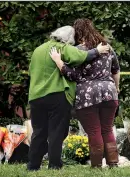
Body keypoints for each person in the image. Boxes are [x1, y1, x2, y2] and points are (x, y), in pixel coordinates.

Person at [27, 25, 110, 171]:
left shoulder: (37, 50)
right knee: (57, 131)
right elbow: (83, 56)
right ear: (68, 39)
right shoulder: (62, 47)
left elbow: (31, 72)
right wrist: (98, 50)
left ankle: (33, 166)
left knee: (39, 132)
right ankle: (54, 165)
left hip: (36, 97)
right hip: (56, 95)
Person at [49, 19, 120, 168]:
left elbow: (72, 75)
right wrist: (116, 88)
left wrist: (58, 61)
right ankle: (113, 164)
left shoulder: (78, 50)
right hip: (109, 92)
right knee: (107, 129)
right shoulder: (108, 48)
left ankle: (96, 166)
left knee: (94, 130)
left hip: (88, 96)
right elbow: (116, 70)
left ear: (78, 33)